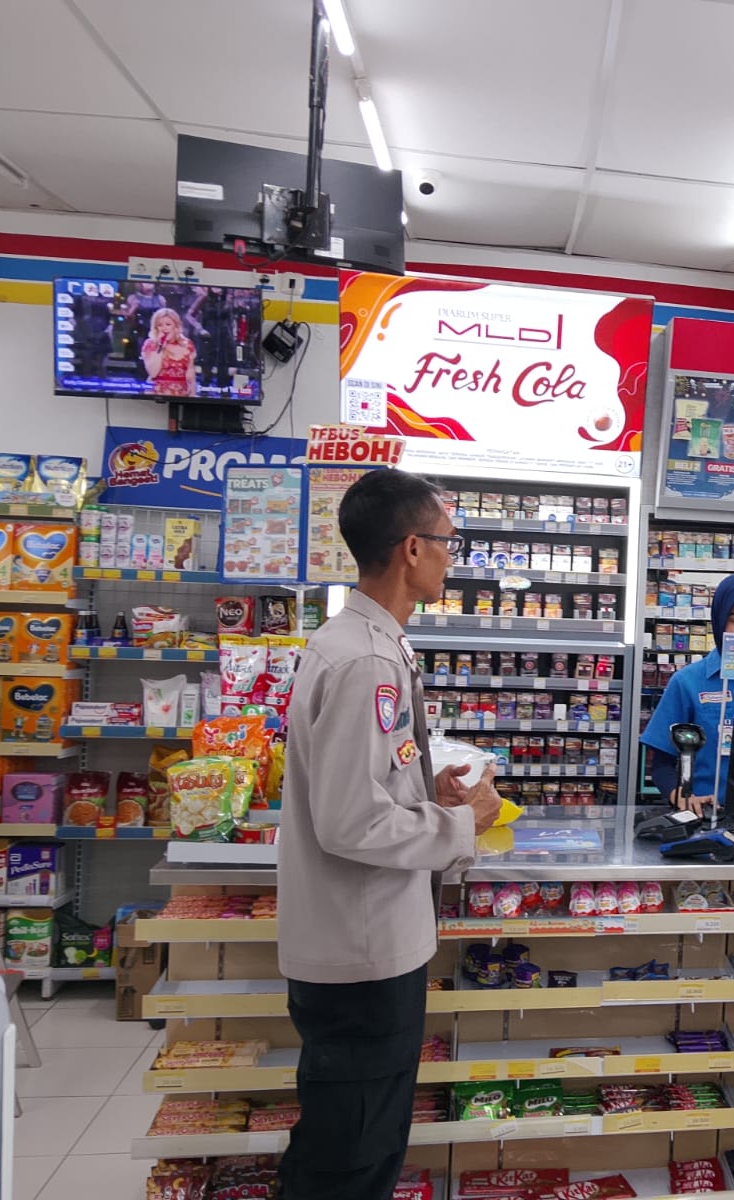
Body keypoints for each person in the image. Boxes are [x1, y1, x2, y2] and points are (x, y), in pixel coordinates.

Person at [276, 468, 501, 1200]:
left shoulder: (364, 642)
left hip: (360, 944)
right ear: (411, 548)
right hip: (362, 954)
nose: (451, 556)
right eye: (447, 541)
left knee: (346, 1141)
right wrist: (462, 822)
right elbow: (350, 822)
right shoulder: (366, 658)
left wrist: (423, 793)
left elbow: (362, 787)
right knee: (353, 1158)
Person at [640, 574, 734, 815]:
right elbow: (661, 765)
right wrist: (681, 797)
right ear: (719, 621)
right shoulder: (688, 681)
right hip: (708, 816)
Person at [140, 306, 197, 397]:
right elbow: (153, 373)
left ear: (176, 326)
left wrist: (192, 392)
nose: (164, 328)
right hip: (157, 395)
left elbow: (190, 371)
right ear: (156, 328)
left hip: (181, 394)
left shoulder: (187, 344)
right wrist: (161, 346)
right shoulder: (151, 344)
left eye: (168, 324)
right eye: (160, 325)